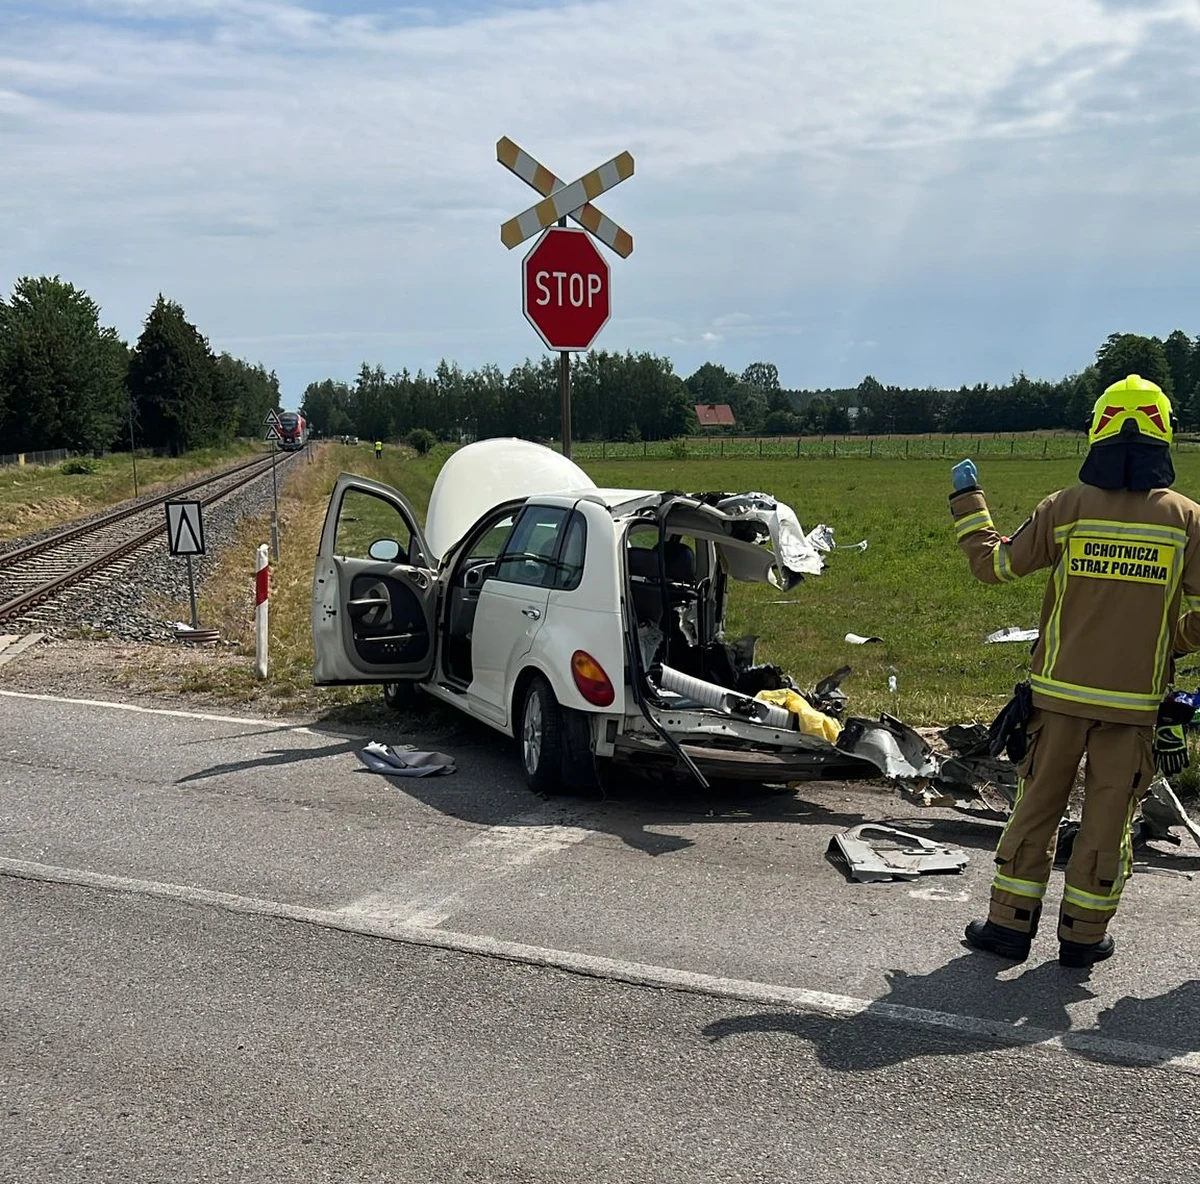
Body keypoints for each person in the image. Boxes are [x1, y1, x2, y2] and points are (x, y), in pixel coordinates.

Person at [949, 374, 1200, 967]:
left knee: (1036, 809)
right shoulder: (1186, 520)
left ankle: (1008, 929)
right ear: (1165, 433)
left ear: (1099, 430)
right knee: (1108, 822)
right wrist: (1173, 644)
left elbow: (996, 568)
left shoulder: (1066, 507)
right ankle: (1083, 939)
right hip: (1134, 706)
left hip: (1057, 698)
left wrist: (969, 504)